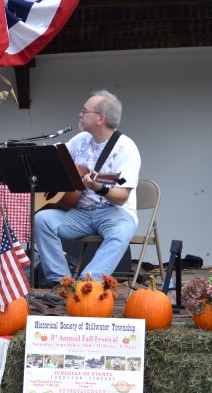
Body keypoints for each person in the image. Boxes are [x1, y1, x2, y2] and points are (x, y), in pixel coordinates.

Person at [34, 90, 141, 288]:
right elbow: (57, 160)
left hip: (114, 212)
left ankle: (87, 285)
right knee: (42, 220)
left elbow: (121, 197)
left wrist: (99, 188)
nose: (80, 115)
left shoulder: (126, 148)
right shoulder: (80, 140)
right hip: (79, 213)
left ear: (101, 118)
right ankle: (61, 282)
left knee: (121, 232)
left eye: (85, 111)